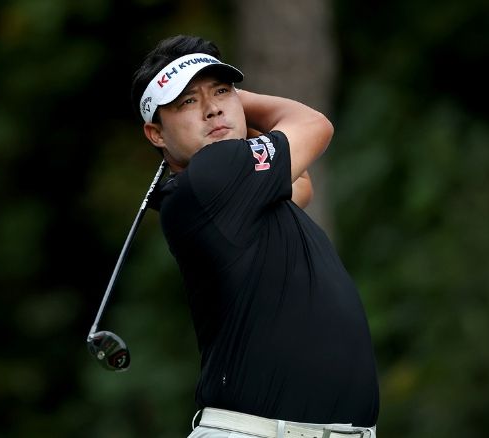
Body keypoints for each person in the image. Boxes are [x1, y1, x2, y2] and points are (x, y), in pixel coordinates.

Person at [130, 35, 379, 438]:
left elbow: (301, 185)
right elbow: (314, 125)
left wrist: (226, 110)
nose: (213, 108)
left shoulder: (224, 190)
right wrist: (240, 103)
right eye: (188, 101)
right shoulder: (213, 174)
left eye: (221, 91)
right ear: (156, 134)